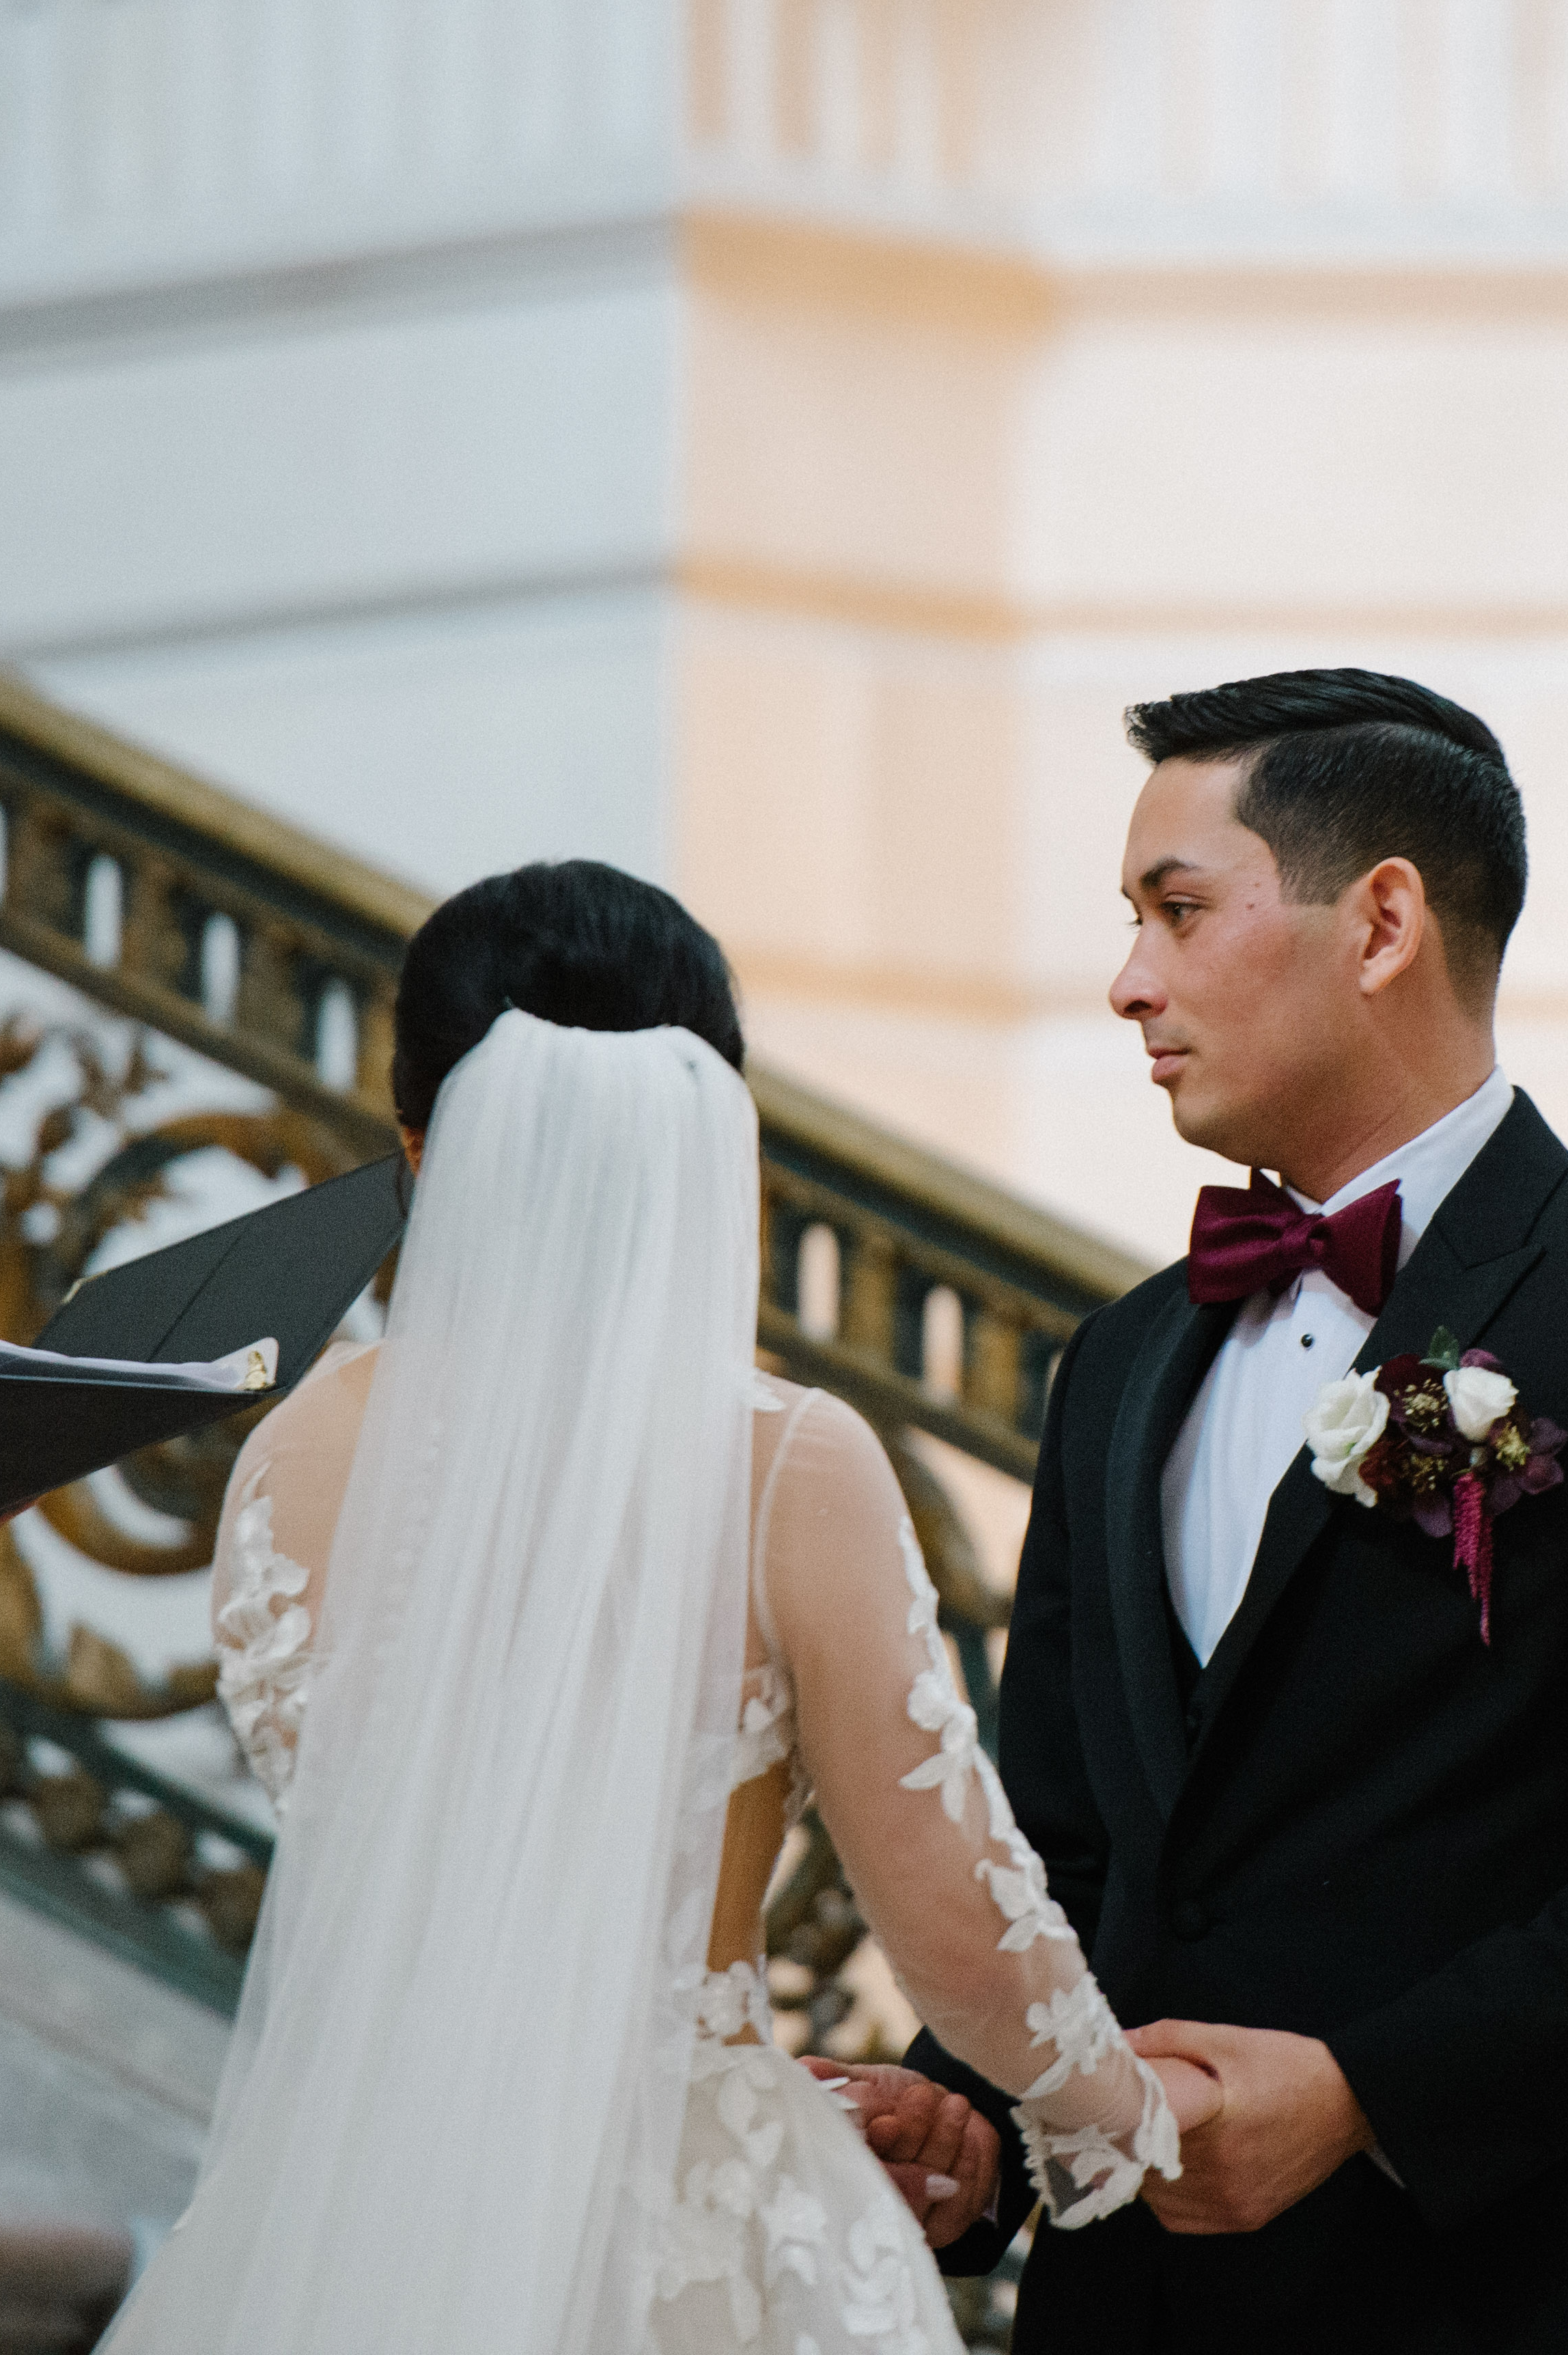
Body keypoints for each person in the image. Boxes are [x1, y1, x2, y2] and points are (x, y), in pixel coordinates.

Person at [102, 861, 1196, 2355]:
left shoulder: (293, 1451)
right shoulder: (784, 1462)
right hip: (691, 2211)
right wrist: (1139, 2123)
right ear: (714, 1129)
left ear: (420, 1141)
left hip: (366, 2198)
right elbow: (948, 1910)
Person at [903, 669, 1568, 2351]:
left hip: (1519, 2292)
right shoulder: (1123, 1357)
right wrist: (962, 2121)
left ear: (1379, 924)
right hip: (1135, 2304)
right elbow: (1065, 1842)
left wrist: (1366, 2093)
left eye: (1177, 911)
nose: (1129, 984)